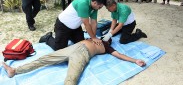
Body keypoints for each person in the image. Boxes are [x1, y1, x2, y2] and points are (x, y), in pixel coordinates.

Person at [2, 38, 146, 85]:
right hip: (73, 48)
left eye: (106, 40)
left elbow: (120, 54)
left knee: (72, 78)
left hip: (82, 53)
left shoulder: (107, 47)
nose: (104, 40)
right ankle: (15, 71)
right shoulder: (92, 37)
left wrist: (135, 60)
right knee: (44, 59)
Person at [40, 0, 106, 51]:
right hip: (63, 26)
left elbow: (94, 23)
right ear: (95, 3)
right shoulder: (83, 3)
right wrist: (94, 38)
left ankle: (69, 36)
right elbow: (86, 24)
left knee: (82, 44)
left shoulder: (94, 7)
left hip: (75, 28)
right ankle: (47, 37)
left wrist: (93, 37)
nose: (99, 9)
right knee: (59, 49)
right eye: (99, 7)